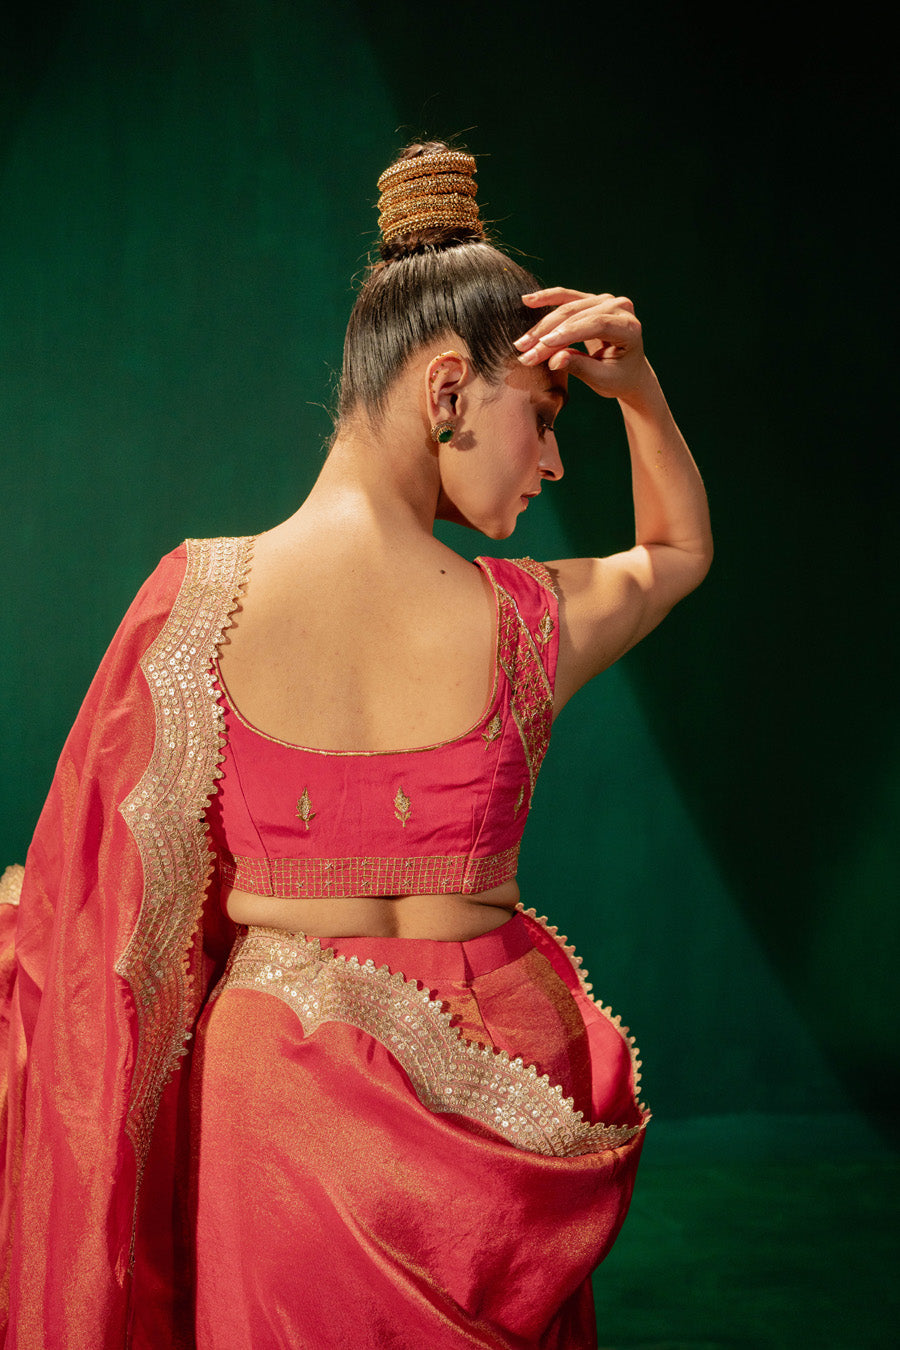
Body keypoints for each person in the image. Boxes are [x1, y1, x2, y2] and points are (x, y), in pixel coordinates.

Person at [0, 142, 712, 1349]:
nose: (550, 459)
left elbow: (100, 912)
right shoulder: (525, 618)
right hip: (505, 1099)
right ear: (445, 392)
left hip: (280, 1106)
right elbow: (681, 552)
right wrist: (637, 388)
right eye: (540, 418)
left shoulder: (196, 603)